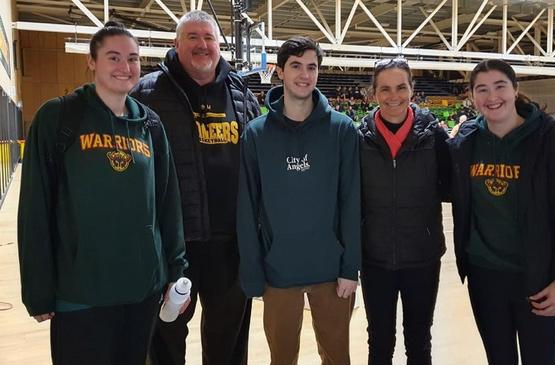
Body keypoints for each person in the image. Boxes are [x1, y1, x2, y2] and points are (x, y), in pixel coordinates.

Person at [17, 21, 188, 365]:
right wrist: (38, 289)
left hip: (140, 292)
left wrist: (176, 270)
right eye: (113, 57)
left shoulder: (150, 126)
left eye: (133, 59)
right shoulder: (59, 116)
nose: (125, 67)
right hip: (81, 293)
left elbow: (168, 206)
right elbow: (35, 207)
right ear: (92, 62)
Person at [130, 10, 260, 365]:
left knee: (229, 340)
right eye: (193, 37)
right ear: (176, 44)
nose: (203, 45)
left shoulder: (242, 94)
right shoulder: (147, 92)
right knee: (166, 336)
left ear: (219, 45)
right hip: (173, 244)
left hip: (230, 244)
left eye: (209, 38)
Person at [447, 59, 555, 365]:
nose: (492, 96)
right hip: (485, 278)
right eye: (482, 89)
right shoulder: (465, 143)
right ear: (472, 96)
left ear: (515, 89)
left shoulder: (552, 141)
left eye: (500, 86)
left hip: (538, 278)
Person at [237, 36, 360, 365]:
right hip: (278, 271)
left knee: (338, 358)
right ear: (279, 71)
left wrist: (351, 267)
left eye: (312, 67)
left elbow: (351, 202)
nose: (304, 74)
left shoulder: (342, 130)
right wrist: (252, 271)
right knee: (282, 358)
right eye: (296, 66)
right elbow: (247, 208)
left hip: (331, 272)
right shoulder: (255, 134)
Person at [357, 58, 450, 364]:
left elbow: (451, 188)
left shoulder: (435, 137)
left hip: (422, 258)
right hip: (375, 259)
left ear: (412, 90)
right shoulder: (359, 139)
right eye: (384, 88)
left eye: (400, 87)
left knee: (419, 339)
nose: (393, 95)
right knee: (380, 341)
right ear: (373, 93)